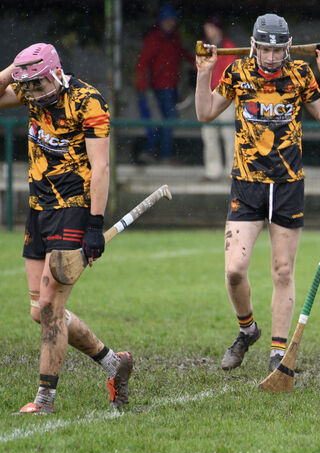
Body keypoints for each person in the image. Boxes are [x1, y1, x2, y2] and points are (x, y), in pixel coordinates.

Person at [195, 13, 320, 371]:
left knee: (282, 271)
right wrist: (202, 72)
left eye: (277, 52)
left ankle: (277, 353)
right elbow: (205, 112)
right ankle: (247, 330)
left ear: (288, 49)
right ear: (254, 47)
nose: (271, 58)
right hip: (246, 184)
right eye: (265, 51)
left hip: (288, 185)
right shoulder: (237, 73)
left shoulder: (301, 74)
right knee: (234, 271)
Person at [0, 43, 134, 414]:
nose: (36, 95)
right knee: (38, 310)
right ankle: (113, 362)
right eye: (30, 87)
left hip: (73, 211)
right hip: (38, 210)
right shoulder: (30, 95)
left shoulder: (88, 101)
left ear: (57, 74)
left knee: (51, 305)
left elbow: (102, 167)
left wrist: (95, 224)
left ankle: (44, 400)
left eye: (41, 85)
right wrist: (14, 69)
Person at [135, 3, 194, 164]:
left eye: (172, 20)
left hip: (171, 86)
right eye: (167, 20)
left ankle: (152, 151)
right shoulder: (154, 38)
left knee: (166, 120)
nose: (170, 23)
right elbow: (143, 63)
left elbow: (182, 53)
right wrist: (142, 87)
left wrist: (198, 62)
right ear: (161, 21)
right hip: (158, 88)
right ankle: (162, 153)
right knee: (167, 120)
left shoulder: (173, 38)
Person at [200, 15, 236, 181]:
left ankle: (232, 172)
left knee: (230, 136)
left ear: (218, 29)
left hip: (226, 97)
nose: (208, 30)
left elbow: (230, 75)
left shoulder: (229, 47)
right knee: (209, 135)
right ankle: (212, 171)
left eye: (211, 27)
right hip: (209, 95)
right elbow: (199, 68)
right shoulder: (204, 47)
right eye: (207, 27)